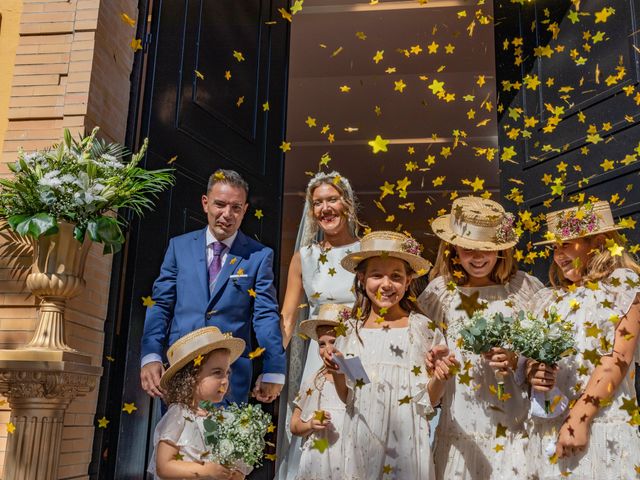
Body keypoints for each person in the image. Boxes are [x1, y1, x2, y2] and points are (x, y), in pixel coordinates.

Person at [419, 196, 544, 479]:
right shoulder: (441, 292)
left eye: (486, 249)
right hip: (462, 419)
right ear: (453, 249)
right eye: (467, 249)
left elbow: (543, 354)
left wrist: (518, 360)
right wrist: (434, 358)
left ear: (501, 250)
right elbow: (426, 350)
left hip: (513, 418)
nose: (477, 258)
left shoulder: (523, 289)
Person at [140, 169, 286, 404]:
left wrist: (274, 368)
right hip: (181, 371)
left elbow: (266, 316)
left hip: (230, 378)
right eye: (220, 204)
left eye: (236, 207)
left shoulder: (259, 256)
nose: (227, 214)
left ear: (245, 210)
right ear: (205, 203)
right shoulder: (179, 247)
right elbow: (161, 305)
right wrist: (150, 355)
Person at [324, 231, 456, 479]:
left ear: (408, 282)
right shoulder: (350, 332)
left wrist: (440, 376)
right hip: (360, 440)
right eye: (377, 275)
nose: (386, 284)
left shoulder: (422, 329)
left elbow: (430, 398)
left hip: (406, 444)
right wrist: (337, 372)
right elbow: (348, 396)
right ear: (362, 279)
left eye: (396, 276)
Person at [525, 200, 640, 479]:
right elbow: (532, 360)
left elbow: (618, 357)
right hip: (550, 429)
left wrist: (580, 418)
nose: (557, 255)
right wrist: (533, 372)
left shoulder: (621, 285)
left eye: (566, 244)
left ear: (598, 242)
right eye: (554, 247)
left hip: (599, 423)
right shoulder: (548, 301)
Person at [277, 171, 361, 478]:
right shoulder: (304, 257)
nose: (325, 208)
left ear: (347, 204)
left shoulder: (365, 253)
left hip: (358, 350)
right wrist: (272, 365)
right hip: (319, 353)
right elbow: (287, 318)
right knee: (318, 431)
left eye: (332, 200)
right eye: (318, 203)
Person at [148, 326, 246, 479]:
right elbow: (163, 466)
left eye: (227, 373)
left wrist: (233, 473)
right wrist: (206, 470)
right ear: (191, 378)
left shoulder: (220, 418)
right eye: (217, 373)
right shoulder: (179, 415)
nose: (225, 380)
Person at [289, 304, 349, 480]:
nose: (327, 349)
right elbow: (294, 425)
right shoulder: (314, 380)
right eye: (322, 344)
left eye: (334, 342)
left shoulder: (355, 376)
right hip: (319, 457)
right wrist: (309, 425)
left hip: (347, 456)